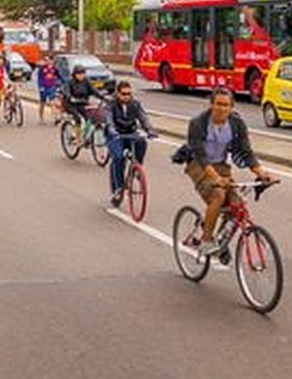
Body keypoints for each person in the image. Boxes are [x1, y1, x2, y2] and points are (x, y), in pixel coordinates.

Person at [172, 86, 274, 258]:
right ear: (211, 104)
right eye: (218, 104)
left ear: (232, 107)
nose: (222, 109)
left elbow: (246, 152)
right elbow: (201, 157)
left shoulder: (237, 123)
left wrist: (262, 173)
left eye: (226, 105)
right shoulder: (197, 123)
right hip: (198, 165)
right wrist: (217, 179)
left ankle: (220, 241)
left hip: (220, 164)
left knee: (235, 202)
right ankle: (206, 241)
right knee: (218, 195)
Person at [106, 80, 157, 207]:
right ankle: (118, 188)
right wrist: (112, 131)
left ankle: (136, 168)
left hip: (130, 133)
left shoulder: (135, 104)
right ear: (117, 93)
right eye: (123, 94)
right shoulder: (111, 104)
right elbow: (109, 120)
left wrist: (150, 130)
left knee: (142, 142)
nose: (126, 96)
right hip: (116, 135)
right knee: (118, 158)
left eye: (129, 94)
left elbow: (143, 117)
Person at [36, 54, 61, 124]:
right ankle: (41, 118)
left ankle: (56, 117)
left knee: (52, 102)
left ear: (52, 61)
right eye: (46, 60)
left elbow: (59, 77)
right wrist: (40, 87)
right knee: (42, 104)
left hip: (51, 87)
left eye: (49, 60)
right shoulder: (42, 68)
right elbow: (39, 78)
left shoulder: (55, 69)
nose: (48, 61)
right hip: (43, 88)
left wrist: (59, 83)